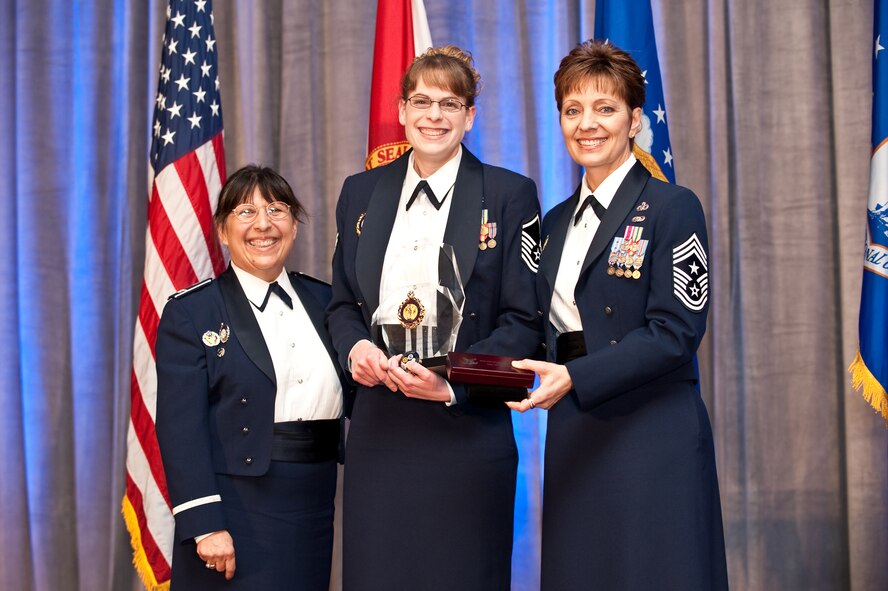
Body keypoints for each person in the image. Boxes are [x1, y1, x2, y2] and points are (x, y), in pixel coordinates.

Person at [507, 40, 729, 590]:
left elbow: (676, 332)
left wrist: (576, 376)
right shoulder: (551, 224)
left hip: (652, 429)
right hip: (575, 430)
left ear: (634, 120)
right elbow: (534, 333)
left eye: (605, 109)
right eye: (572, 110)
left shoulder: (673, 206)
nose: (587, 124)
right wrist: (455, 377)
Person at [327, 45, 542, 590]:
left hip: (465, 428)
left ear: (470, 116)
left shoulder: (509, 193)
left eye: (450, 103)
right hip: (381, 426)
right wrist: (357, 349)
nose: (433, 115)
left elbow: (524, 322)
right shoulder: (360, 192)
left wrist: (450, 383)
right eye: (421, 101)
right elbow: (341, 306)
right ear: (400, 111)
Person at [155, 165, 350, 590]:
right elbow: (179, 426)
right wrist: (204, 524)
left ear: (294, 226)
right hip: (236, 509)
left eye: (277, 210)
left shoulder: (326, 301)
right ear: (223, 232)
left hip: (314, 500)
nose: (263, 224)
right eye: (246, 212)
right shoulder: (192, 312)